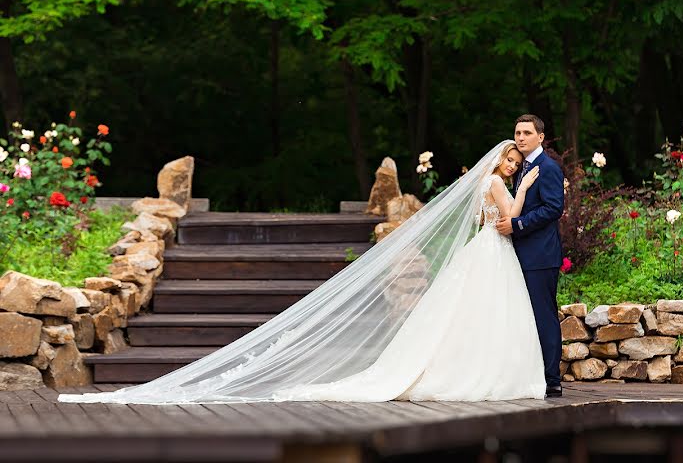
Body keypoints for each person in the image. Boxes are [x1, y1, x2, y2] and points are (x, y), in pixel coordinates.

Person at [59, 139, 549, 404]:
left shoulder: (485, 181)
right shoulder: (500, 184)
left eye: (514, 159)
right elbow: (506, 222)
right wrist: (525, 190)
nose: (512, 163)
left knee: (470, 317)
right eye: (509, 157)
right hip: (493, 250)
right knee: (486, 317)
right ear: (501, 160)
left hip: (482, 253)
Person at [497, 114, 565, 397]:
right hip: (518, 254)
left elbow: (553, 208)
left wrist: (517, 224)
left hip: (540, 256)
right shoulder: (520, 168)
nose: (521, 137)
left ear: (540, 136)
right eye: (517, 132)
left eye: (526, 132)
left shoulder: (547, 167)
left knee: (544, 315)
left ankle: (552, 380)